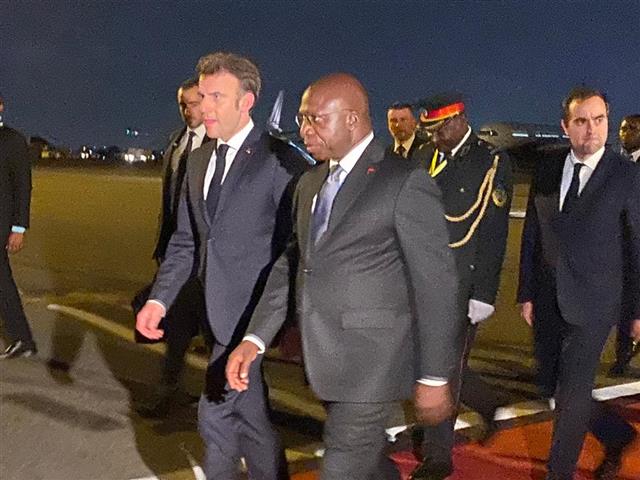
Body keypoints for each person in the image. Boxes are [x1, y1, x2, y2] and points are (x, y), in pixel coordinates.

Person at [226, 73, 461, 480]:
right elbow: (293, 262)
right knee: (369, 465)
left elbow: (436, 284)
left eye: (315, 119)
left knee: (342, 467)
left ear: (352, 119)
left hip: (373, 364)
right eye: (302, 119)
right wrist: (255, 337)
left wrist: (435, 374)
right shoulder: (310, 183)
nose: (305, 130)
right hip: (324, 359)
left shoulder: (402, 182)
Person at [136, 52, 307, 479]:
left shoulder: (279, 162)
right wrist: (159, 299)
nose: (204, 105)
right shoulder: (198, 161)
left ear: (246, 102)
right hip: (213, 314)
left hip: (253, 318)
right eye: (202, 95)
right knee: (251, 419)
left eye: (217, 96)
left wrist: (281, 324)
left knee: (214, 415)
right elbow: (186, 241)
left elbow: (297, 249)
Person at [517, 86, 639, 480]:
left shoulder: (627, 176)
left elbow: (637, 246)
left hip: (597, 302)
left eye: (599, 120)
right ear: (565, 126)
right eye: (582, 121)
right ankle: (617, 433)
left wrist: (637, 311)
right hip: (548, 298)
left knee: (571, 392)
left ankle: (559, 473)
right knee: (554, 386)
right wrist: (526, 291)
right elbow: (533, 234)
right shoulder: (547, 168)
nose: (592, 129)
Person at [409, 95, 513, 480]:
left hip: (460, 283)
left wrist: (484, 292)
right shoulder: (424, 157)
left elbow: (494, 232)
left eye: (439, 129)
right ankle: (487, 403)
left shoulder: (491, 162)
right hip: (421, 279)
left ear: (458, 121)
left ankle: (438, 456)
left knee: (444, 367)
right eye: (429, 131)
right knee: (423, 361)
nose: (433, 137)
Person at [136, 77, 213, 417]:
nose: (188, 110)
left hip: (207, 259)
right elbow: (168, 201)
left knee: (213, 332)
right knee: (178, 327)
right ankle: (169, 391)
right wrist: (163, 246)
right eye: (184, 104)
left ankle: (232, 404)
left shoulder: (217, 145)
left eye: (194, 103)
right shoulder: (177, 143)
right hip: (177, 253)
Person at [0, 94, 37, 360]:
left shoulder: (12, 140)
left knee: (2, 282)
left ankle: (22, 338)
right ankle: (22, 338)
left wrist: (19, 227)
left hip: (2, 222)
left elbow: (23, 185)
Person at [608, 114, 640, 377]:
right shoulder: (614, 164)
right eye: (622, 128)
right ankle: (622, 355)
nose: (625, 132)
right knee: (625, 304)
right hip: (619, 246)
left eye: (632, 128)